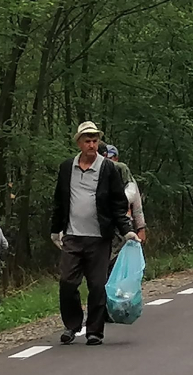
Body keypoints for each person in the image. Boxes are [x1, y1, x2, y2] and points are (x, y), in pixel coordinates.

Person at [51, 121, 137, 346]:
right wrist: (54, 230)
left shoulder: (108, 168)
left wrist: (127, 230)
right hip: (72, 236)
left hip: (99, 237)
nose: (92, 144)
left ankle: (94, 331)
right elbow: (59, 201)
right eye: (87, 141)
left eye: (95, 140)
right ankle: (72, 325)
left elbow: (118, 203)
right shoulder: (66, 168)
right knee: (67, 282)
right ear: (79, 143)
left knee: (97, 285)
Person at [99, 142, 147, 262]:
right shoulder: (94, 172)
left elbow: (136, 202)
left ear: (116, 157)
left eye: (111, 157)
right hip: (100, 224)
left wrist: (140, 228)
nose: (109, 160)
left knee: (119, 258)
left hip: (122, 223)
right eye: (106, 157)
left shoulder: (122, 170)